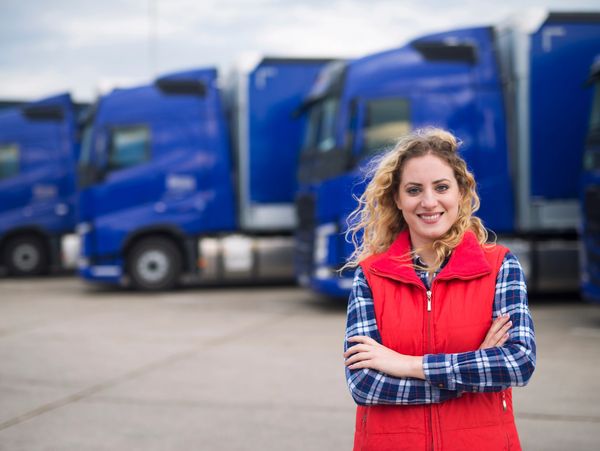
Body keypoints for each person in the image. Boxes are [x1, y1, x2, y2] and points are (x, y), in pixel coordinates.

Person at [342, 128, 536, 451]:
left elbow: (518, 362)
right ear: (397, 199)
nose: (429, 202)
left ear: (460, 192)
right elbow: (365, 385)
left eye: (441, 187)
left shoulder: (500, 266)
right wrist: (470, 373)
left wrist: (406, 365)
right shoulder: (370, 276)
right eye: (414, 190)